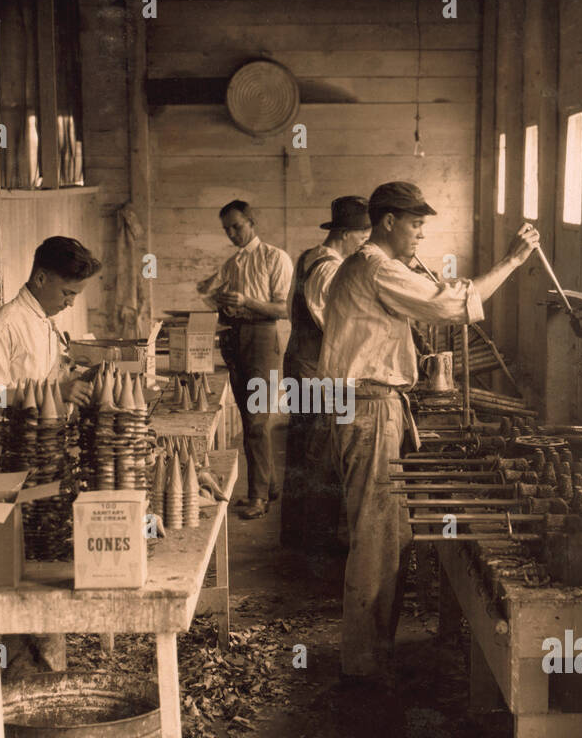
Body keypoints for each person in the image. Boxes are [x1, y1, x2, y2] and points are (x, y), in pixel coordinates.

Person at [317, 181, 540, 688]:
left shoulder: (372, 266)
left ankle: (374, 654)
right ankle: (364, 668)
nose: (421, 232)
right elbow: (446, 306)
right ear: (389, 221)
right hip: (368, 406)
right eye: (415, 223)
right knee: (376, 536)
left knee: (389, 532)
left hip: (374, 404)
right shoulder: (376, 267)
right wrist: (510, 262)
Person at [0, 236, 102, 673]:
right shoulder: (4, 325)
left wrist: (73, 375)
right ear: (42, 277)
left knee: (46, 560)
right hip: (12, 461)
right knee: (20, 568)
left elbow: (49, 376)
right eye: (67, 293)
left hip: (44, 458)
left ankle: (48, 664)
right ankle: (20, 671)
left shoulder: (45, 322)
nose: (69, 303)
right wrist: (55, 390)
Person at [280, 196, 370, 554]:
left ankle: (298, 543)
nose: (365, 244)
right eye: (364, 236)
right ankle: (314, 551)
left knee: (305, 455)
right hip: (314, 372)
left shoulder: (309, 257)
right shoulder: (328, 269)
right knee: (319, 457)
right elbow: (335, 326)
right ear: (347, 234)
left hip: (305, 366)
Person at [196, 200, 293, 520]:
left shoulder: (274, 257)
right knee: (251, 418)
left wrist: (246, 300)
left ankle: (258, 497)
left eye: (237, 226)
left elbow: (282, 310)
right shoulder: (232, 263)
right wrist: (216, 297)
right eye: (226, 229)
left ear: (252, 222)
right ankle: (271, 487)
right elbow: (213, 297)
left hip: (263, 339)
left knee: (256, 422)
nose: (232, 233)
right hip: (234, 336)